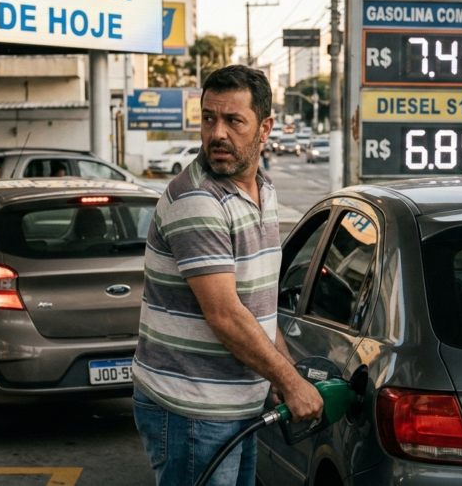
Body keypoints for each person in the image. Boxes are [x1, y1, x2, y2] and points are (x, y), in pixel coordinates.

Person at [132, 65, 324, 486]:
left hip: (236, 405)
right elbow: (225, 314)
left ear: (265, 127)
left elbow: (257, 306)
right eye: (208, 118)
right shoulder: (198, 199)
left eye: (233, 120)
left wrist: (278, 373)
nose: (217, 133)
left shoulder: (264, 190)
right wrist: (290, 381)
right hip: (192, 410)